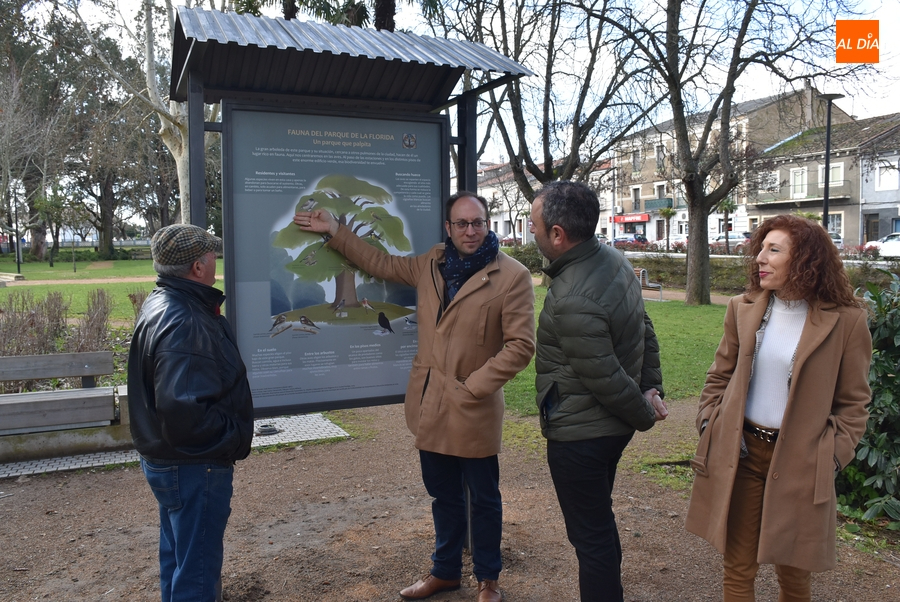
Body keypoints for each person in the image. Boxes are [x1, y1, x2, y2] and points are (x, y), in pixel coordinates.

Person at [295, 192, 535, 602]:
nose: (470, 231)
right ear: (448, 228)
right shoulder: (432, 262)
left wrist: (473, 386)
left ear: (488, 223)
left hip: (473, 406)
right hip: (430, 402)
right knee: (442, 494)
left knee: (484, 498)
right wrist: (335, 231)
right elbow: (380, 263)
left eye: (477, 222)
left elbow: (520, 345)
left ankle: (488, 581)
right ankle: (444, 573)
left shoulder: (512, 275)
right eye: (461, 224)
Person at [685, 214, 872, 602]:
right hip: (745, 455)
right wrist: (710, 423)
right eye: (761, 249)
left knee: (794, 574)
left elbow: (854, 402)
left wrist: (832, 457)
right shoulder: (743, 308)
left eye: (774, 250)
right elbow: (719, 375)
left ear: (805, 259)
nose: (760, 259)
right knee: (738, 568)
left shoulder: (847, 322)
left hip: (803, 462)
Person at [529, 180, 667, 602]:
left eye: (534, 225)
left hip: (582, 436)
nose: (530, 231)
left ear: (557, 234)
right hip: (605, 430)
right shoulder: (613, 259)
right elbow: (644, 327)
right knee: (598, 529)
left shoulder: (571, 295)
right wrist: (651, 386)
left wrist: (645, 411)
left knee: (590, 540)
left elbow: (603, 375)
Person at [128, 224, 254, 602]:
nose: (216, 259)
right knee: (197, 575)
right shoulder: (186, 319)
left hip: (169, 460)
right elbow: (183, 409)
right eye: (211, 254)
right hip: (195, 465)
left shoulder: (162, 302)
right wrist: (232, 438)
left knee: (180, 562)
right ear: (198, 267)